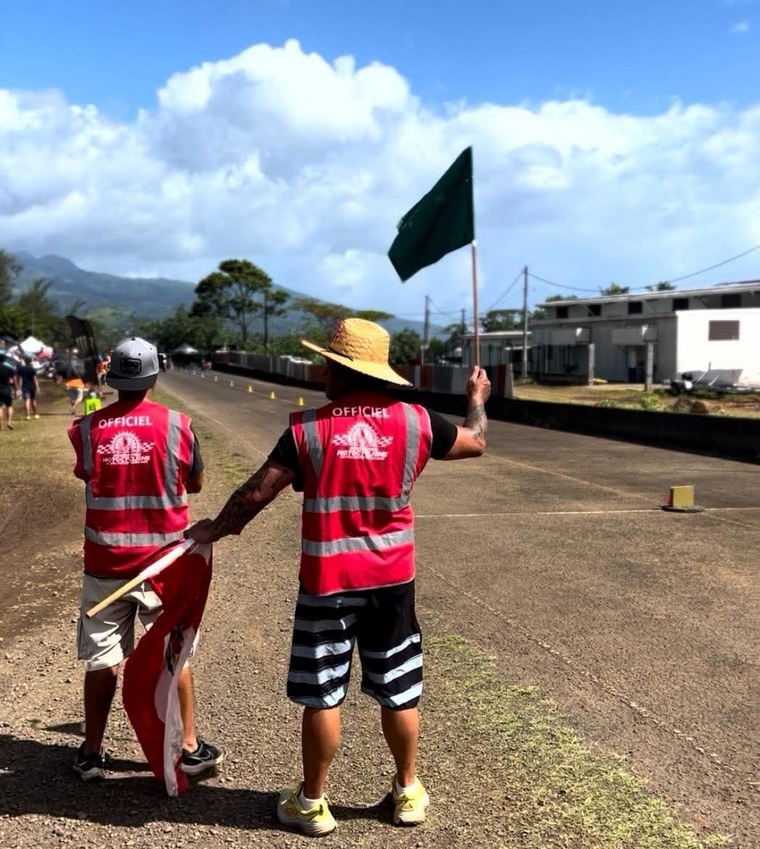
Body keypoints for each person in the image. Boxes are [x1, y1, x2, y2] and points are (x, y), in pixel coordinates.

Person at [186, 318, 490, 836]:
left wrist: (216, 528)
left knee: (323, 693)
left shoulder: (308, 429)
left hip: (328, 581)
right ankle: (408, 790)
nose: (321, 371)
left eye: (327, 363)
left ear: (343, 371)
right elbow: (476, 441)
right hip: (393, 582)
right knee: (399, 686)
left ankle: (313, 803)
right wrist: (477, 398)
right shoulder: (417, 422)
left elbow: (257, 493)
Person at [68, 336, 223, 782]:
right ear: (155, 377)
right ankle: (189, 747)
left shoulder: (86, 428)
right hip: (164, 568)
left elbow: (86, 473)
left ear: (112, 378)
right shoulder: (179, 425)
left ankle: (93, 752)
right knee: (175, 656)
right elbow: (193, 484)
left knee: (102, 660)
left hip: (105, 565)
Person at [18, 356, 40, 420]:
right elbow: (35, 379)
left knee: (27, 400)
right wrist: (37, 387)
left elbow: (19, 378)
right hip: (32, 386)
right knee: (33, 400)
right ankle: (35, 414)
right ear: (31, 361)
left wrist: (19, 386)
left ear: (24, 361)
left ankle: (28, 415)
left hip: (25, 386)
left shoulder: (22, 368)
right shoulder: (32, 369)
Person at [0, 351, 18, 431]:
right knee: (9, 406)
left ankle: (0, 425)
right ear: (4, 360)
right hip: (7, 389)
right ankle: (9, 422)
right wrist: (16, 389)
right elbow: (14, 380)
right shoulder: (9, 368)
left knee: (0, 407)